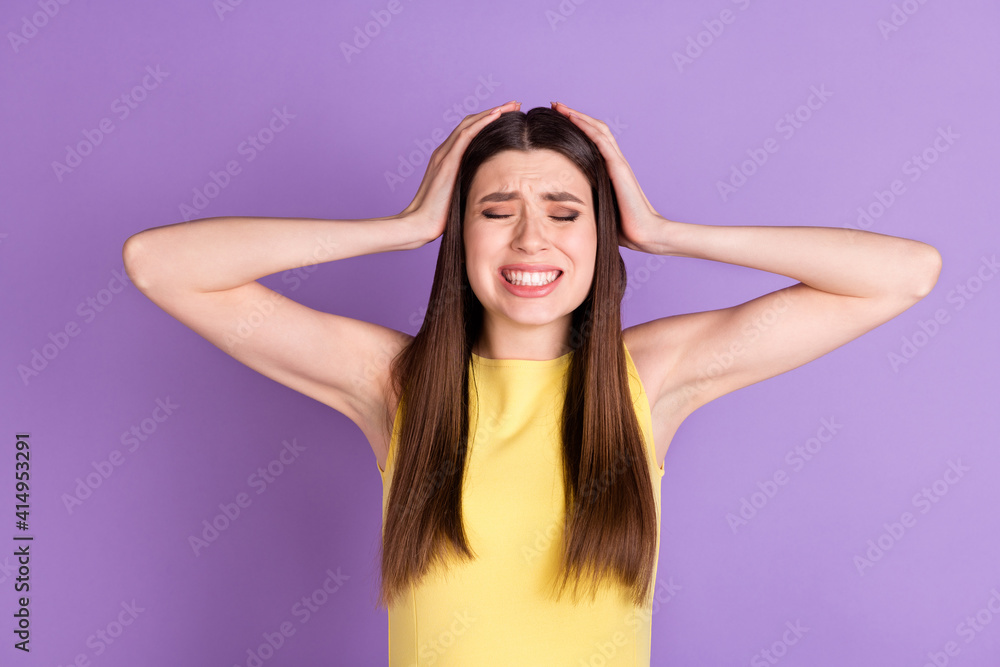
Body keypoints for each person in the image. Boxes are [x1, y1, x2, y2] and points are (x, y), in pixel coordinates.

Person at [122, 100, 942, 665]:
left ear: (601, 229)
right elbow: (159, 264)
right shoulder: (393, 383)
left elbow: (903, 273)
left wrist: (664, 231)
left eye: (563, 210)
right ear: (459, 234)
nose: (530, 239)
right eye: (494, 210)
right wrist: (401, 227)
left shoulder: (649, 377)